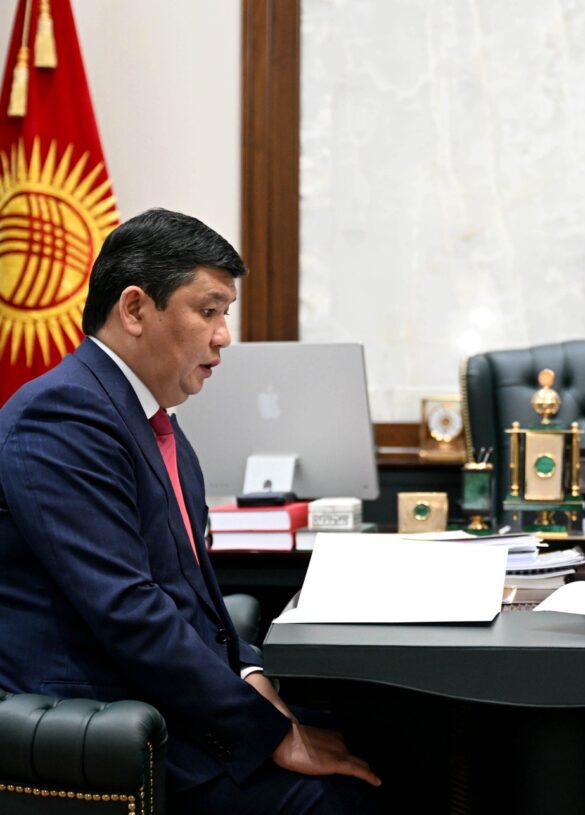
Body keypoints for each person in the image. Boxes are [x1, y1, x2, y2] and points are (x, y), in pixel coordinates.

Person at [0, 208, 383, 814]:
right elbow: (129, 609)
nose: (223, 336)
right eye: (208, 310)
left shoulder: (151, 422)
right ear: (134, 309)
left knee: (385, 738)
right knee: (349, 792)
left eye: (225, 313)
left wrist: (251, 675)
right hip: (111, 729)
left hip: (166, 702)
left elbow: (190, 596)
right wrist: (267, 732)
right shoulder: (62, 417)